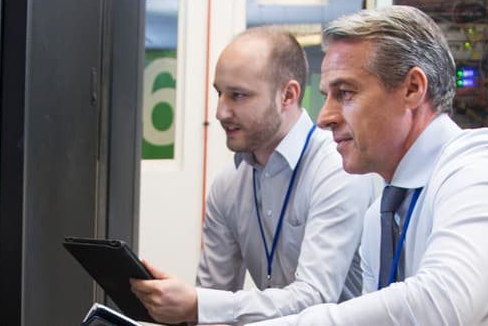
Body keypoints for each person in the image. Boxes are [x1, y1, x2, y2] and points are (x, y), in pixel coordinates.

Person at [252, 6, 488, 325]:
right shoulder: (381, 214)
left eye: (345, 93)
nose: (325, 117)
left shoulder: (484, 167)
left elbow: (445, 308)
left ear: (413, 88)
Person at [129, 27, 380, 325]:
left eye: (238, 95)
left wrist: (198, 304)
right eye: (219, 93)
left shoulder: (336, 170)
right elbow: (213, 298)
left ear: (288, 95)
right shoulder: (229, 184)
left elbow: (314, 299)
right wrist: (181, 305)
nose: (221, 112)